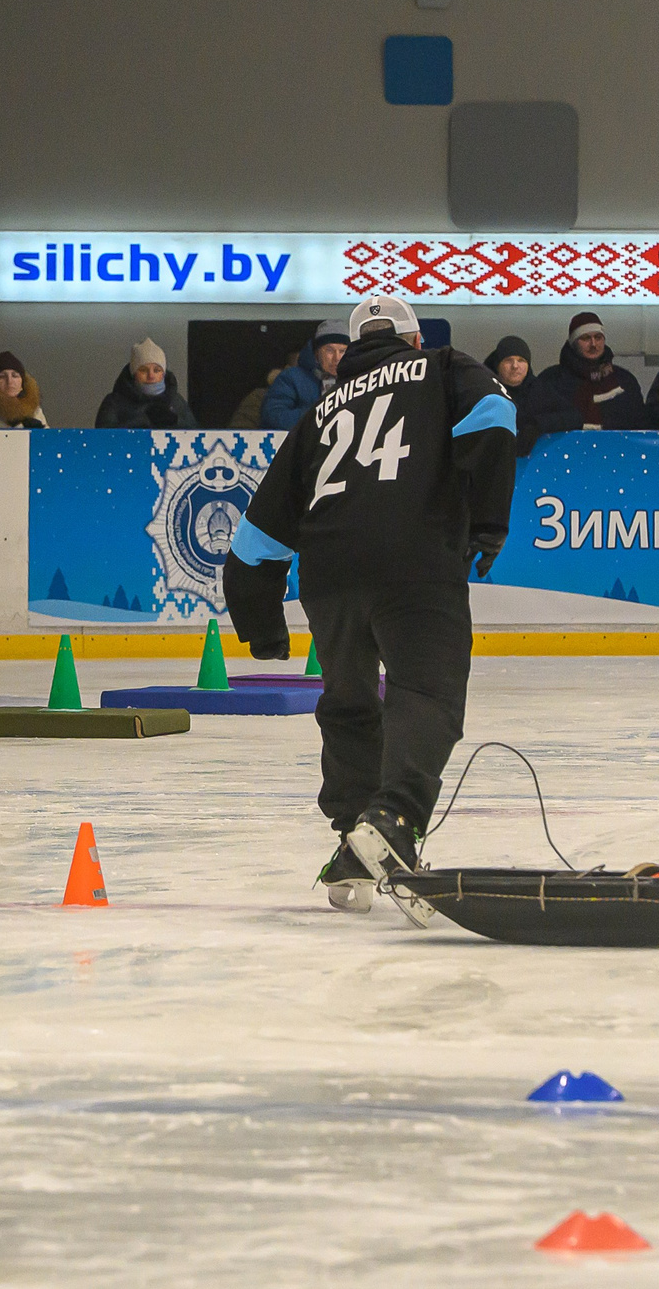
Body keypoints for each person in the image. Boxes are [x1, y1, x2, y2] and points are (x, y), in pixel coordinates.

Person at [219, 293, 516, 918]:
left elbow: (256, 534)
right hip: (416, 560)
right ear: (412, 339)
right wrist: (488, 520)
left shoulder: (320, 411)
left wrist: (262, 624)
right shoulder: (441, 366)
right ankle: (395, 818)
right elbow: (494, 414)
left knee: (350, 702)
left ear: (349, 353)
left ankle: (353, 842)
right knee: (427, 693)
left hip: (328, 575)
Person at [537, 312, 645, 430]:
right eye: (586, 338)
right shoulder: (550, 381)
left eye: (598, 337)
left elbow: (639, 425)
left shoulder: (625, 381)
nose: (593, 344)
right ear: (573, 343)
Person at [485, 335, 571, 458]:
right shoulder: (483, 389)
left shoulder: (539, 390)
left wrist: (537, 426)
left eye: (521, 360)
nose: (515, 366)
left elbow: (574, 416)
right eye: (508, 360)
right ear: (498, 365)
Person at [261, 321, 349, 431]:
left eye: (342, 351)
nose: (337, 358)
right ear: (317, 352)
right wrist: (320, 414)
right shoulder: (292, 378)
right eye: (329, 350)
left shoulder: (357, 379)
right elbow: (273, 417)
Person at [95, 338, 198, 429]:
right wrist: (142, 421)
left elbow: (196, 435)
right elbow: (103, 437)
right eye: (143, 370)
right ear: (134, 373)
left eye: (157, 370)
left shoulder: (176, 402)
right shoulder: (114, 402)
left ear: (163, 374)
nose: (151, 376)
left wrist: (175, 421)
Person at [0, 350, 48, 429]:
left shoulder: (35, 411)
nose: (9, 381)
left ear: (22, 383)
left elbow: (49, 439)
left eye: (15, 376)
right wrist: (22, 427)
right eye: (2, 376)